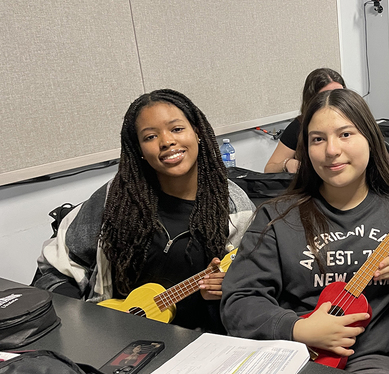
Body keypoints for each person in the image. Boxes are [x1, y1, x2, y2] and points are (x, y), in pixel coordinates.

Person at [222, 88, 389, 374]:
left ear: (370, 139)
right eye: (318, 139)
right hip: (289, 359)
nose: (331, 150)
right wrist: (299, 329)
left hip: (373, 367)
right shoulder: (277, 216)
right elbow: (239, 301)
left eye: (346, 134)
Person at [34, 89, 255, 333]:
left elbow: (255, 286)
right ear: (138, 148)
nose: (167, 141)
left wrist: (231, 289)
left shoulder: (233, 206)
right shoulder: (114, 198)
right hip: (114, 335)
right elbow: (53, 270)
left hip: (205, 341)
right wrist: (82, 323)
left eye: (177, 129)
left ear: (198, 132)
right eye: (150, 136)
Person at [264, 68, 345, 173]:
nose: (333, 100)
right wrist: (287, 163)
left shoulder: (354, 121)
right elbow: (269, 169)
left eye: (339, 94)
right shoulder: (299, 126)